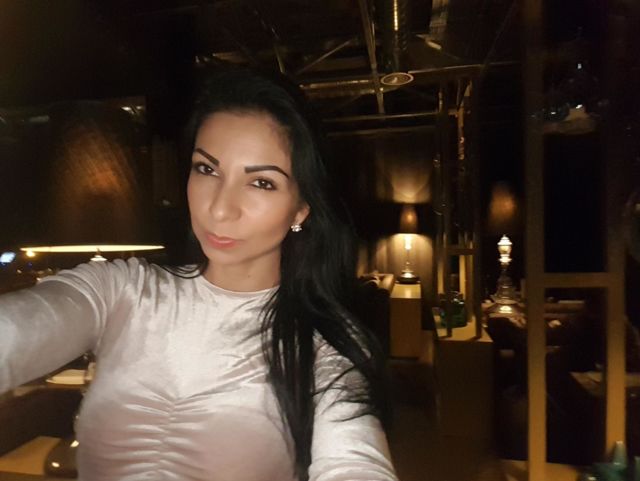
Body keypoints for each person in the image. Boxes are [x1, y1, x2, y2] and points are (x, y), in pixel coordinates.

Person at [0, 69, 398, 481]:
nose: (220, 209)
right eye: (207, 169)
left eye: (261, 183)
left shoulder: (323, 347)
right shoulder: (122, 290)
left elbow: (354, 462)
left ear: (301, 209)